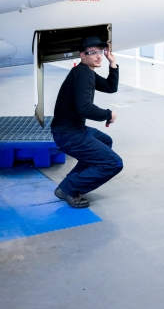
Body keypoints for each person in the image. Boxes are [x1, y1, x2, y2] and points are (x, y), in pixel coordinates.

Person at [51, 35, 123, 209]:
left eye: (100, 52)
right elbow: (85, 108)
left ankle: (70, 183)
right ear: (82, 55)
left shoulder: (86, 71)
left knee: (105, 141)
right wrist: (108, 114)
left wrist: (112, 63)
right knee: (113, 163)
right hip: (69, 134)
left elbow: (110, 87)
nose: (98, 56)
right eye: (92, 53)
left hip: (73, 129)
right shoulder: (83, 75)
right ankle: (69, 188)